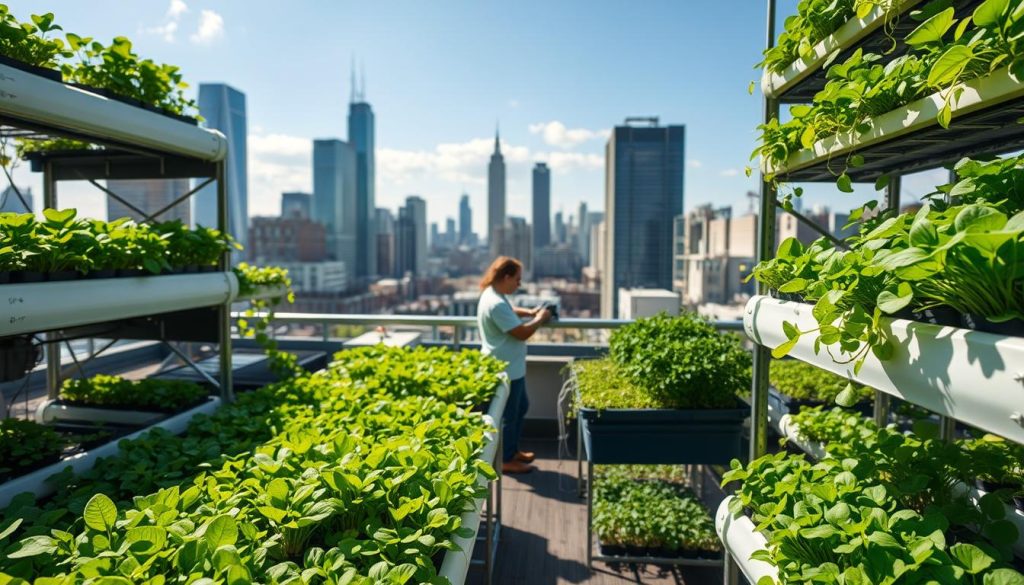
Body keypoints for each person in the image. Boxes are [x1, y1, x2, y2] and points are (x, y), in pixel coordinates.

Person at [477, 256, 552, 474]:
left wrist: (529, 312)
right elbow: (522, 333)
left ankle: (512, 450)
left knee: (520, 408)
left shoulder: (493, 295)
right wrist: (540, 318)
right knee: (510, 415)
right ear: (506, 277)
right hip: (505, 369)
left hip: (510, 367)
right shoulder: (496, 303)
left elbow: (509, 311)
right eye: (517, 280)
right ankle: (506, 459)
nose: (519, 284)